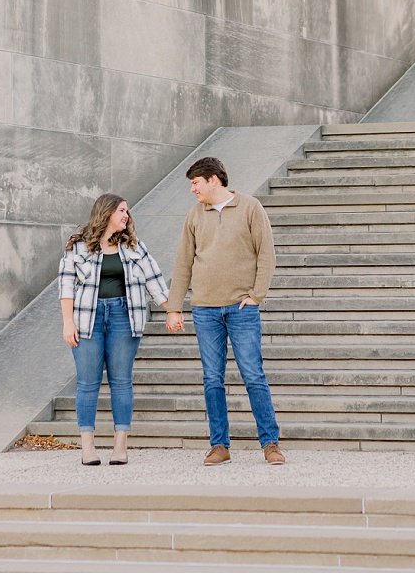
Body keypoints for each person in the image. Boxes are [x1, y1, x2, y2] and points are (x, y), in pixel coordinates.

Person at [164, 156, 286, 466]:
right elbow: (182, 263)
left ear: (213, 180)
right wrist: (174, 307)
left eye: (196, 183)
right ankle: (219, 445)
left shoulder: (249, 207)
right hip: (205, 309)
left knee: (253, 374)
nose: (193, 189)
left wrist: (257, 295)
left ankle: (270, 443)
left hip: (241, 308)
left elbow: (266, 255)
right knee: (212, 379)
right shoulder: (194, 216)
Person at [58, 193, 170, 465]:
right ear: (106, 213)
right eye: (122, 210)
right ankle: (88, 448)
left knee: (121, 381)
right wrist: (68, 322)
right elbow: (66, 287)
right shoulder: (78, 247)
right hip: (87, 320)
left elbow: (154, 280)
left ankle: (120, 446)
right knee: (87, 382)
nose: (126, 216)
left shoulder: (134, 247)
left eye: (127, 211)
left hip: (123, 316)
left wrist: (173, 311)